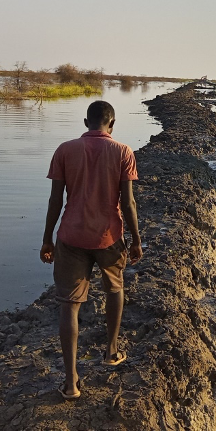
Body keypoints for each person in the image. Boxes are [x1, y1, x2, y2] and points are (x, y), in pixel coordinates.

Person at [40, 100, 143, 399]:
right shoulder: (123, 152)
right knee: (114, 289)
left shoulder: (64, 150)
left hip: (71, 236)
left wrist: (47, 238)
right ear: (112, 124)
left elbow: (55, 201)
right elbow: (128, 203)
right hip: (108, 238)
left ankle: (71, 382)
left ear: (86, 122)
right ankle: (111, 351)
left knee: (69, 306)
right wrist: (136, 239)